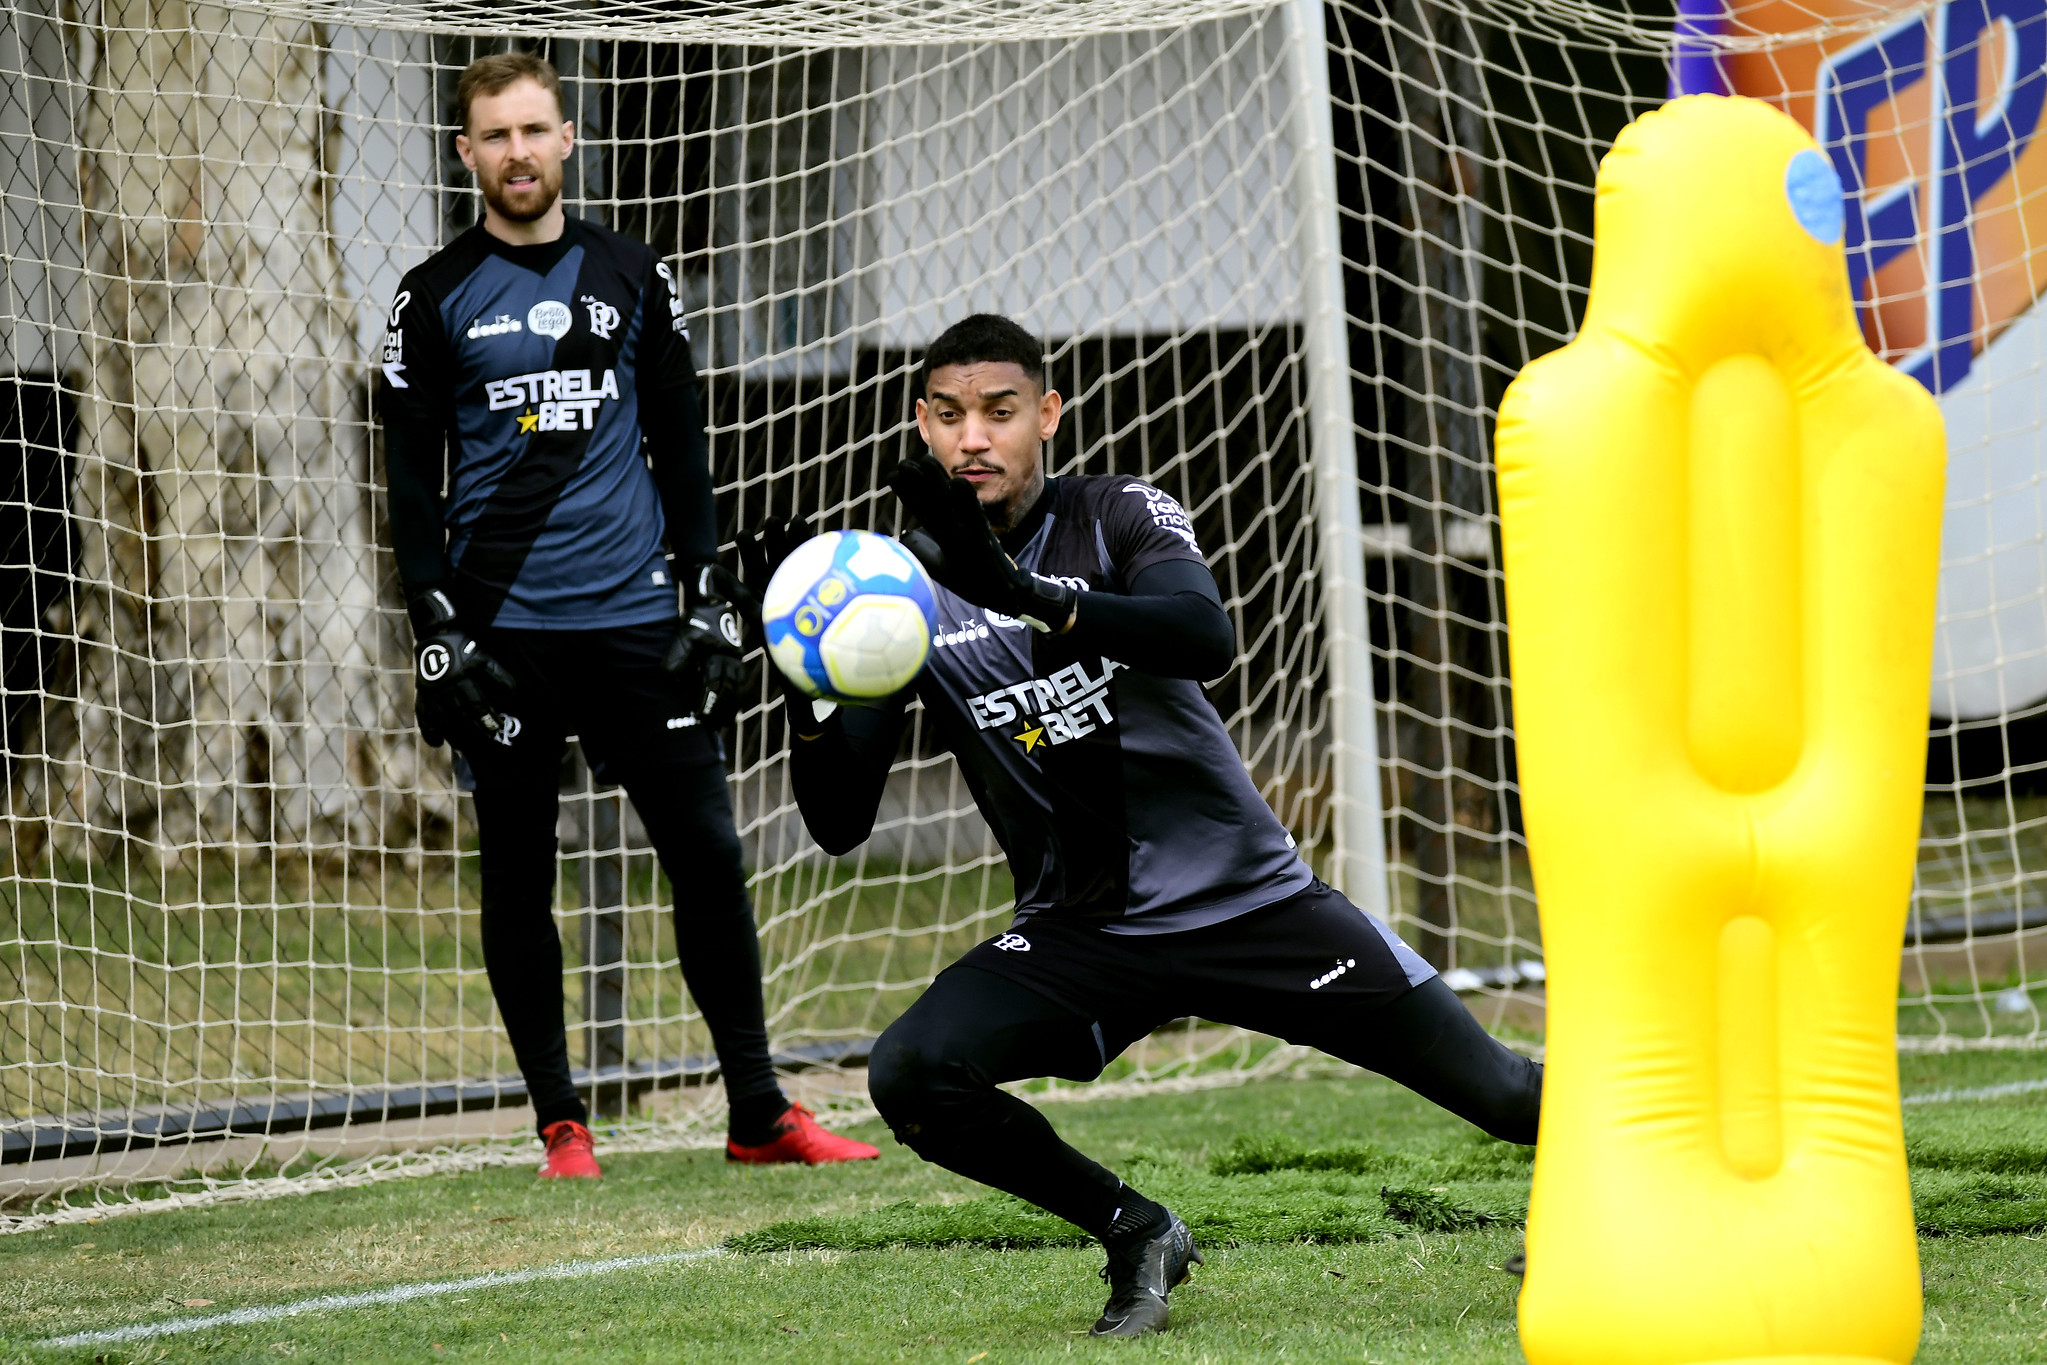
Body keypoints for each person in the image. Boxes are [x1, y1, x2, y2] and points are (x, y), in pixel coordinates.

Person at [751, 313, 1541, 1336]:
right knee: (912, 1072)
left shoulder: (1117, 514)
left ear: (1046, 416)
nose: (973, 440)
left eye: (998, 413)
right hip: (1085, 930)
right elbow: (839, 822)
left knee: (1502, 1095)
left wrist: (1030, 598)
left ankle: (1640, 1170)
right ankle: (1135, 1230)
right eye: (948, 417)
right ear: (923, 426)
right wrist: (802, 681)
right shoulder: (892, 592)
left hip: (1250, 905)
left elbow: (1200, 635)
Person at [376, 52, 876, 1178]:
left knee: (705, 854)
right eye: (494, 135)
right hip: (504, 635)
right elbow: (407, 472)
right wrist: (435, 623)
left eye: (534, 131)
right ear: (466, 153)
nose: (517, 152)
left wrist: (705, 593)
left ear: (568, 140)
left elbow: (681, 437)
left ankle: (757, 1113)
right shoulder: (431, 292)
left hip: (634, 624)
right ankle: (561, 1123)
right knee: (518, 873)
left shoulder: (632, 273)